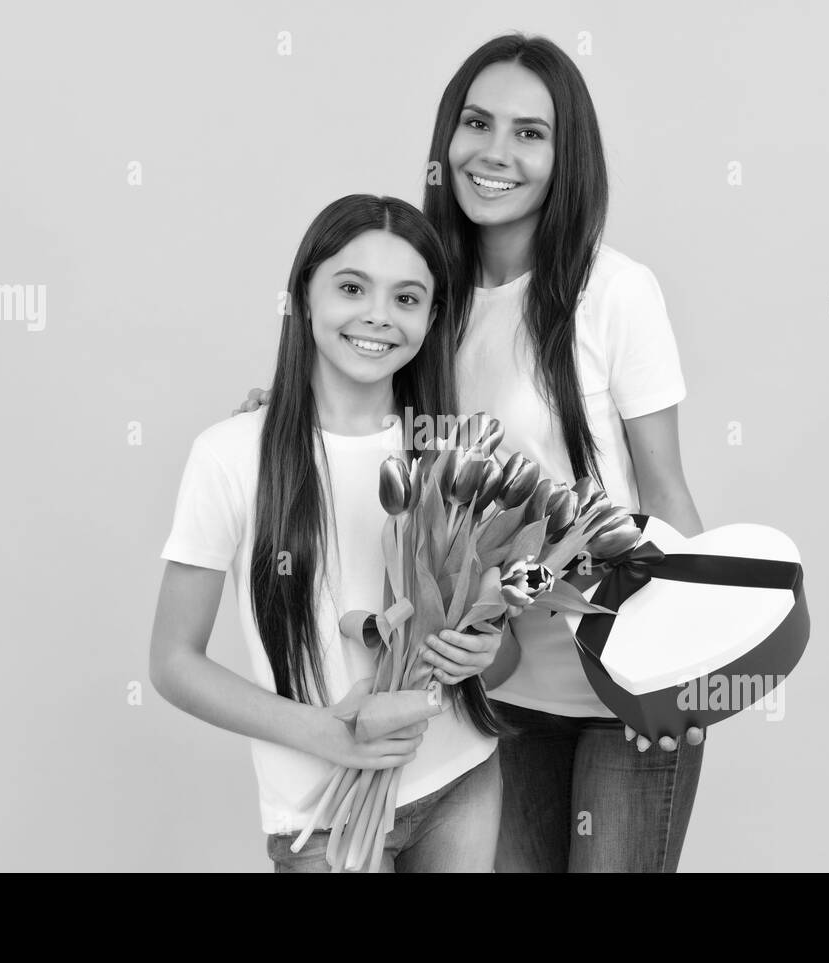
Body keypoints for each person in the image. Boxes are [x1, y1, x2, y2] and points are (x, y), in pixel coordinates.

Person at [234, 34, 707, 873]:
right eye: (476, 123)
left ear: (568, 157)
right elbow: (383, 421)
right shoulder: (428, 301)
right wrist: (294, 406)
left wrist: (692, 667)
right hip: (492, 688)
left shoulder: (613, 292)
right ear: (446, 139)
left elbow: (665, 485)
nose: (496, 153)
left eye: (530, 132)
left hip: (625, 687)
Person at [151, 195, 503, 872]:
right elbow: (172, 661)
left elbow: (500, 660)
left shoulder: (453, 455)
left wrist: (484, 651)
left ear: (432, 319)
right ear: (303, 298)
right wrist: (330, 735)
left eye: (406, 298)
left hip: (460, 778)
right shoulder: (231, 455)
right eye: (350, 287)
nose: (377, 315)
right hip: (320, 814)